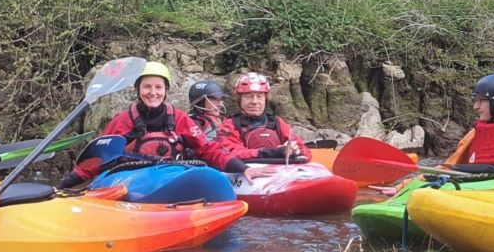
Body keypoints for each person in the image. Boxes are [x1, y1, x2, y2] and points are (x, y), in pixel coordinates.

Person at [58, 63, 246, 188]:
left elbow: (207, 149)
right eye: (147, 87)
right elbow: (98, 160)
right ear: (138, 90)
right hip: (131, 181)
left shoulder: (179, 119)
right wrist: (63, 186)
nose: (153, 92)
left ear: (166, 91)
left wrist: (242, 168)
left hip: (170, 176)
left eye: (158, 87)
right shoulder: (122, 121)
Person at [219, 72, 309, 162]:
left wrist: (295, 151)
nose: (254, 101)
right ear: (239, 100)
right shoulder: (230, 125)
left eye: (259, 96)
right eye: (248, 96)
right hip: (247, 172)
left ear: (266, 99)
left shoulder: (277, 123)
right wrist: (270, 152)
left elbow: (305, 151)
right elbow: (231, 153)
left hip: (278, 171)